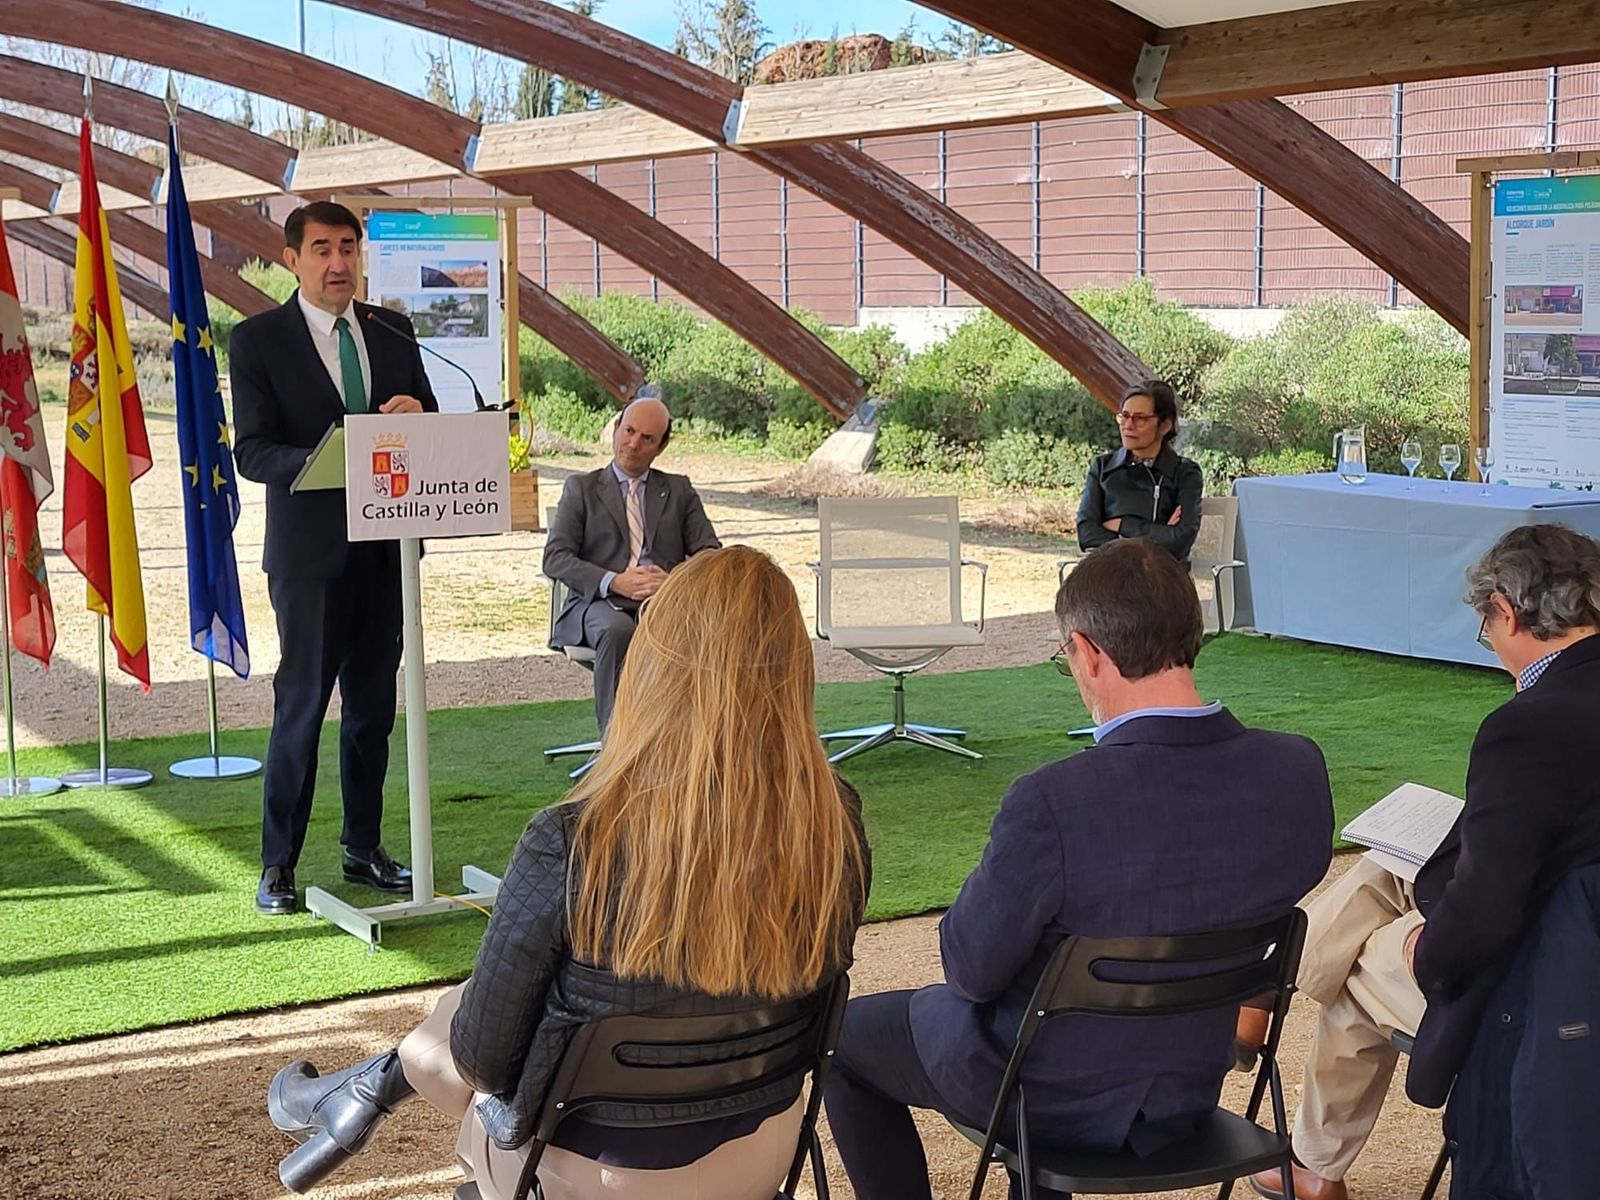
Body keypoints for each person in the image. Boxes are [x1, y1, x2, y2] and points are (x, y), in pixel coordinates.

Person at [265, 546, 870, 1200]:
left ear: (655, 664)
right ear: (795, 671)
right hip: (763, 1151)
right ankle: (359, 1093)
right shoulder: (835, 821)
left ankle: (362, 1093)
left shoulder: (574, 838)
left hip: (595, 1173)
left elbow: (479, 1060)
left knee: (461, 1018)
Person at [823, 538, 1333, 1200]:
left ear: (1088, 653)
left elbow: (970, 970)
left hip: (1040, 1096)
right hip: (1187, 1087)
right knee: (1042, 1006)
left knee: (846, 1037)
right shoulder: (1297, 772)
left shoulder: (1053, 802)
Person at [1245, 523, 1600, 1200]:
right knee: (1381, 869)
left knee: (1357, 962)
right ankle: (1263, 1000)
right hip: (1565, 927)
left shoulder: (1529, 726)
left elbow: (1488, 911)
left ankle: (1311, 1150)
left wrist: (1427, 955)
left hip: (1544, 988)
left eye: (1485, 626)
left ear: (1506, 611)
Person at [232, 201, 439, 917]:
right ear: (292, 259)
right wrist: (336, 456)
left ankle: (363, 846)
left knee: (372, 712)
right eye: (322, 249)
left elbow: (428, 418)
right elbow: (252, 451)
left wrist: (419, 418)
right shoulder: (258, 341)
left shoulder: (392, 330)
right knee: (302, 709)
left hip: (388, 551)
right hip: (310, 559)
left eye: (348, 247)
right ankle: (277, 864)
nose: (338, 262)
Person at [541, 391, 720, 733]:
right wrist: (614, 580)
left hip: (663, 602)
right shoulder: (582, 488)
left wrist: (673, 582)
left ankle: (686, 741)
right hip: (598, 603)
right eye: (629, 431)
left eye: (647, 438)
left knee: (700, 631)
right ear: (616, 429)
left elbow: (710, 554)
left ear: (661, 447)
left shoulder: (679, 491)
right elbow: (555, 558)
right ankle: (617, 744)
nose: (634, 444)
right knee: (618, 630)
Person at [1076, 379, 1204, 563]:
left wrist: (1122, 524)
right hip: (1110, 571)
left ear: (1164, 426)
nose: (1128, 425)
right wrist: (1158, 536)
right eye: (1124, 416)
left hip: (1162, 574)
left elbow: (1180, 541)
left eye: (1140, 418)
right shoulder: (1103, 468)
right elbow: (1087, 534)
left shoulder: (1185, 473)